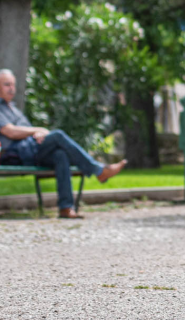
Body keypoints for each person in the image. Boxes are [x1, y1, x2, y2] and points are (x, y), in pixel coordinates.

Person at [0, 69, 126, 218]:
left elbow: (26, 131)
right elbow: (10, 132)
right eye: (7, 85)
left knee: (60, 155)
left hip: (32, 150)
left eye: (13, 85)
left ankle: (66, 208)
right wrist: (38, 129)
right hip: (17, 154)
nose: (12, 89)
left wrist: (37, 133)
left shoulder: (13, 109)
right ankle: (98, 170)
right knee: (58, 135)